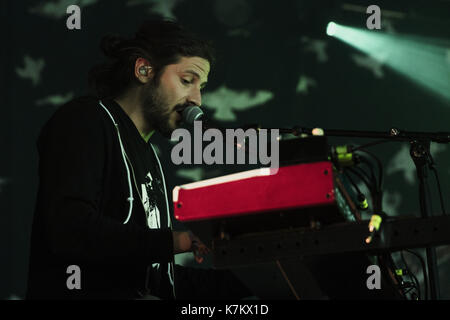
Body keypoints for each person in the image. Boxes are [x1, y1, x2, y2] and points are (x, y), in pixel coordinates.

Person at [26, 19, 252, 300]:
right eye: (187, 80)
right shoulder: (86, 121)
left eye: (201, 86)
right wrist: (180, 240)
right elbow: (70, 229)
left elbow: (157, 279)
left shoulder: (150, 158)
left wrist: (260, 279)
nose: (197, 99)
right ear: (144, 70)